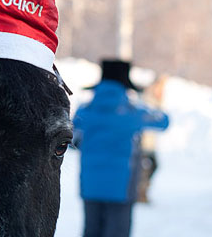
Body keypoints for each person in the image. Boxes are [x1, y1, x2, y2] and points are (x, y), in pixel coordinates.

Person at [72, 59, 169, 237]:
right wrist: (146, 99)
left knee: (91, 231)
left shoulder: (84, 111)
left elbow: (72, 138)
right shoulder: (134, 112)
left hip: (90, 186)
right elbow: (164, 121)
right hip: (121, 188)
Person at [137, 73, 168, 203]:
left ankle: (142, 191)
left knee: (152, 166)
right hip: (143, 142)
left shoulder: (156, 100)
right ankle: (140, 193)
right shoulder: (147, 100)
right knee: (144, 168)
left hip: (150, 143)